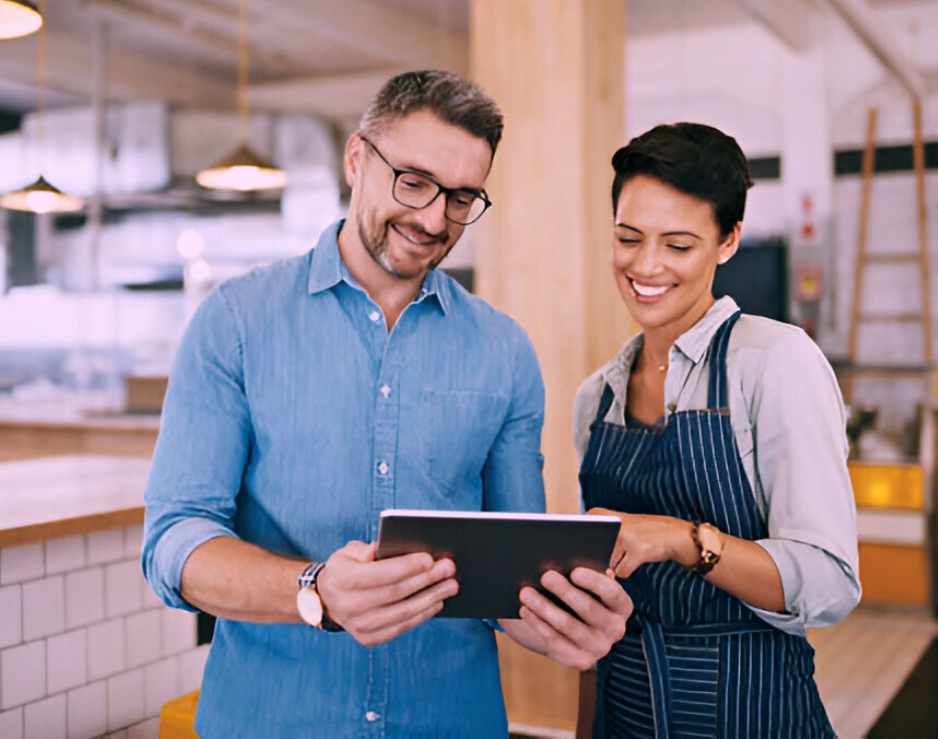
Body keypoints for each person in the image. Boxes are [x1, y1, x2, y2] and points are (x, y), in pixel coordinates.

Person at [143, 70, 632, 738]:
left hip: (450, 722)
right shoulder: (235, 322)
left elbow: (509, 579)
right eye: (414, 181)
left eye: (461, 197)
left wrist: (563, 625)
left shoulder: (504, 350)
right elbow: (175, 543)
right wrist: (313, 589)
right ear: (356, 159)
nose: (433, 219)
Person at [573, 122, 861, 737]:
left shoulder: (774, 362)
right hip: (621, 712)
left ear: (728, 241)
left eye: (678, 245)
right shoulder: (597, 397)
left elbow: (829, 582)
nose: (645, 265)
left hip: (752, 710)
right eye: (628, 238)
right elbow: (594, 606)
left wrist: (681, 539)